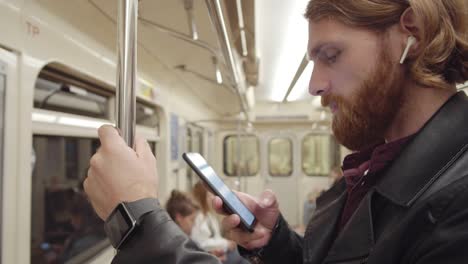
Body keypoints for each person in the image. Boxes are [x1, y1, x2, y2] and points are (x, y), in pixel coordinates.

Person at [84, 0, 468, 263]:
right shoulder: (371, 172)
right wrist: (277, 243)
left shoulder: (458, 204)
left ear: (411, 33)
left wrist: (139, 223)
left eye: (330, 56)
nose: (315, 85)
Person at [191, 182, 249, 264]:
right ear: (202, 198)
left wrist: (227, 244)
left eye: (212, 195)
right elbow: (202, 243)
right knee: (242, 258)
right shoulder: (199, 217)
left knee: (243, 254)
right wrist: (226, 244)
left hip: (218, 251)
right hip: (209, 255)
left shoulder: (209, 215)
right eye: (209, 196)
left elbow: (215, 238)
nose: (212, 198)